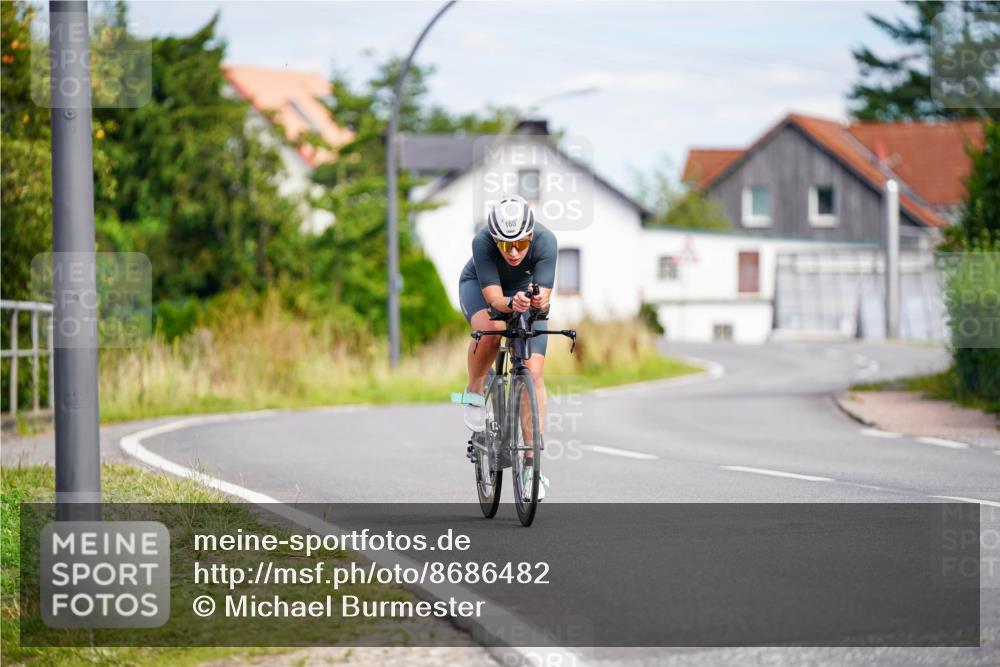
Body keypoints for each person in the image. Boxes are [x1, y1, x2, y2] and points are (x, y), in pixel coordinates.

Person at [458, 194, 555, 499]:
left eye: (521, 244)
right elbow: (495, 301)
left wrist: (540, 300)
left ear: (531, 235)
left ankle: (530, 466)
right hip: (482, 288)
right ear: (494, 239)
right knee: (491, 330)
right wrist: (510, 304)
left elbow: (545, 296)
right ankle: (474, 391)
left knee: (534, 374)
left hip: (523, 293)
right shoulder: (482, 242)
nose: (513, 252)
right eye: (504, 244)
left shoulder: (546, 241)